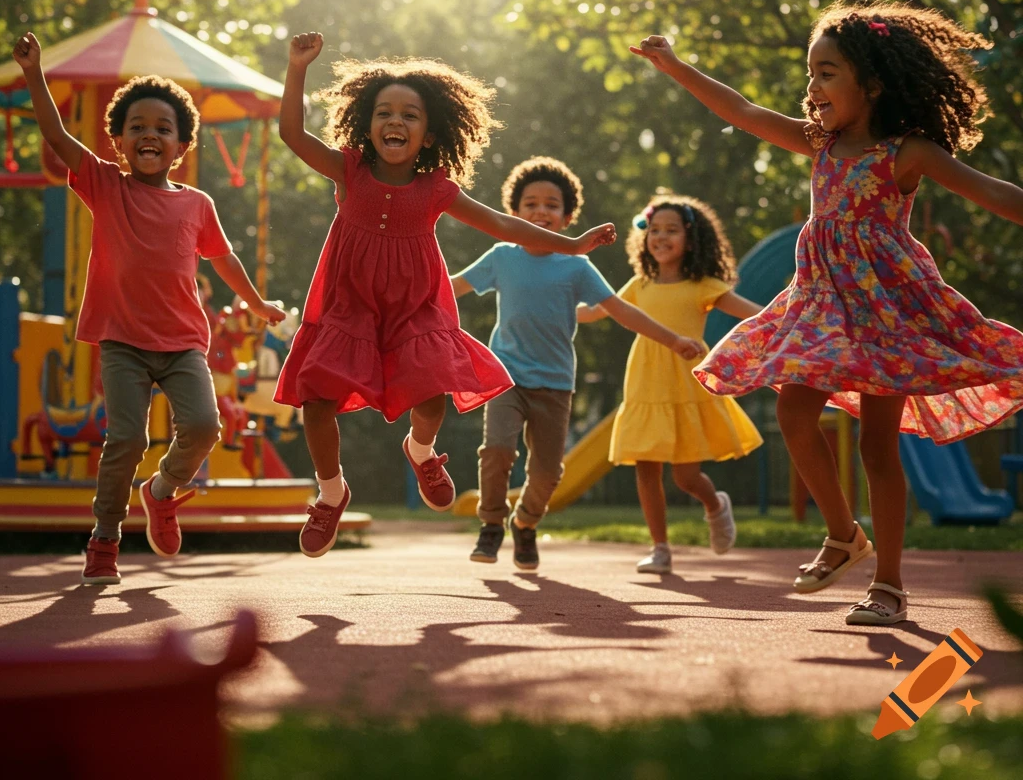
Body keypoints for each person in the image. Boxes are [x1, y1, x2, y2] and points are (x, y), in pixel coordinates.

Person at [631, 0, 1023, 623]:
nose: (812, 88)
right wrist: (675, 66)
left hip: (889, 311)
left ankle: (889, 585)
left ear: (872, 83)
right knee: (793, 409)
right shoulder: (819, 143)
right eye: (810, 74)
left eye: (827, 73)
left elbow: (992, 191)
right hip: (821, 304)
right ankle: (844, 534)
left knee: (876, 447)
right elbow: (743, 110)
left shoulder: (907, 152)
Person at [275, 34, 617, 557]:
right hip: (351, 305)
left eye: (410, 115)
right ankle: (330, 493)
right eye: (384, 112)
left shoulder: (435, 188)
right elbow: (293, 135)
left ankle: (421, 450)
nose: (396, 122)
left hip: (415, 307)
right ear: (366, 124)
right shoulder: (350, 170)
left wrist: (570, 244)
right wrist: (297, 68)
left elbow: (503, 224)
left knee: (431, 393)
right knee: (316, 404)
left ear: (430, 134)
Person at [12, 32, 284, 585]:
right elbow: (57, 135)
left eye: (163, 128)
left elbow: (223, 258)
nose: (149, 135)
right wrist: (36, 73)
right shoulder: (106, 185)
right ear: (118, 141)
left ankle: (161, 491)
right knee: (126, 438)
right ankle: (105, 538)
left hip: (184, 341)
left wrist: (255, 302)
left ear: (182, 145)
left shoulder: (196, 204)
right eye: (137, 127)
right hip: (122, 341)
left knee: (206, 426)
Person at [451, 157, 701, 571]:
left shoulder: (576, 266)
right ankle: (491, 524)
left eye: (552, 205)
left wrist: (673, 339)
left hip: (554, 383)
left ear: (568, 218)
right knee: (496, 450)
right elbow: (453, 286)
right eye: (530, 204)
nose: (540, 212)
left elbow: (621, 310)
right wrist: (406, 295)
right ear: (513, 215)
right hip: (505, 378)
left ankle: (526, 523)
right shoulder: (501, 256)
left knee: (548, 473)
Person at [578, 193, 763, 574]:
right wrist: (552, 301)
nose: (661, 237)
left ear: (691, 240)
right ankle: (660, 547)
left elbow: (754, 315)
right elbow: (594, 312)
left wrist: (794, 313)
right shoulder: (637, 285)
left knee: (686, 476)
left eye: (672, 230)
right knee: (645, 466)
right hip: (645, 381)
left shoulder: (703, 285)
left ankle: (715, 505)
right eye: (654, 229)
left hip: (686, 380)